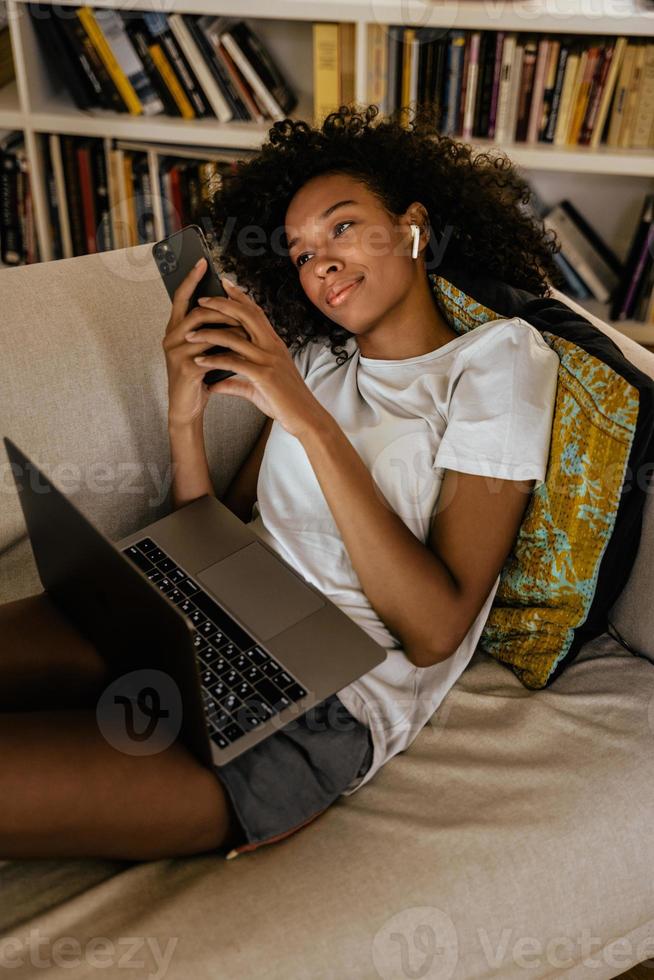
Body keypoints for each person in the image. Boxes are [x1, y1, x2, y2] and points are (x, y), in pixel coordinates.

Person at [0, 103, 561, 863]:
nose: (319, 263)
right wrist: (183, 412)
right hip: (195, 611)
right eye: (298, 253)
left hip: (317, 703)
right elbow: (212, 536)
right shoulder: (323, 364)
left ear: (413, 224)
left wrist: (305, 417)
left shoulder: (499, 360)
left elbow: (434, 631)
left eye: (341, 227)